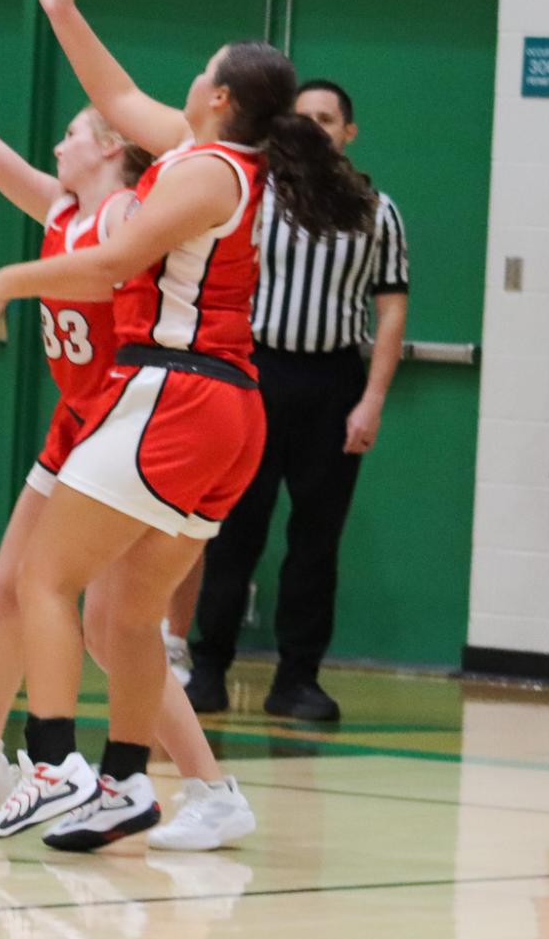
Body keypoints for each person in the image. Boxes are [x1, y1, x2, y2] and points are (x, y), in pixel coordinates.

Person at [0, 0, 374, 848]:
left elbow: (111, 263)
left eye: (201, 73)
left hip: (175, 393)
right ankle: (123, 782)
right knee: (125, 613)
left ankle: (51, 761)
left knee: (45, 575)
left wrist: (10, 278)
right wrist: (64, 10)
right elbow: (113, 97)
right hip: (223, 406)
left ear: (221, 96)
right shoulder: (219, 158)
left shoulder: (201, 170)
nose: (187, 83)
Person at [0, 0, 256, 850]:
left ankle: (58, 762)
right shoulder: (59, 210)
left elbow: (120, 140)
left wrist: (6, 283)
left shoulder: (134, 208)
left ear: (111, 152)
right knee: (62, 606)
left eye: (74, 132)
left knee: (71, 602)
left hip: (139, 414)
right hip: (88, 423)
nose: (58, 140)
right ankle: (9, 758)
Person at [185, 78, 409, 723]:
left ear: (348, 131)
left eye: (328, 118)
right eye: (304, 116)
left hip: (333, 383)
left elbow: (391, 311)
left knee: (317, 539)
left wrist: (371, 400)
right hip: (254, 373)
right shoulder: (254, 194)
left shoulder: (377, 209)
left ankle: (298, 679)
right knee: (232, 530)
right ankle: (208, 667)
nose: (315, 127)